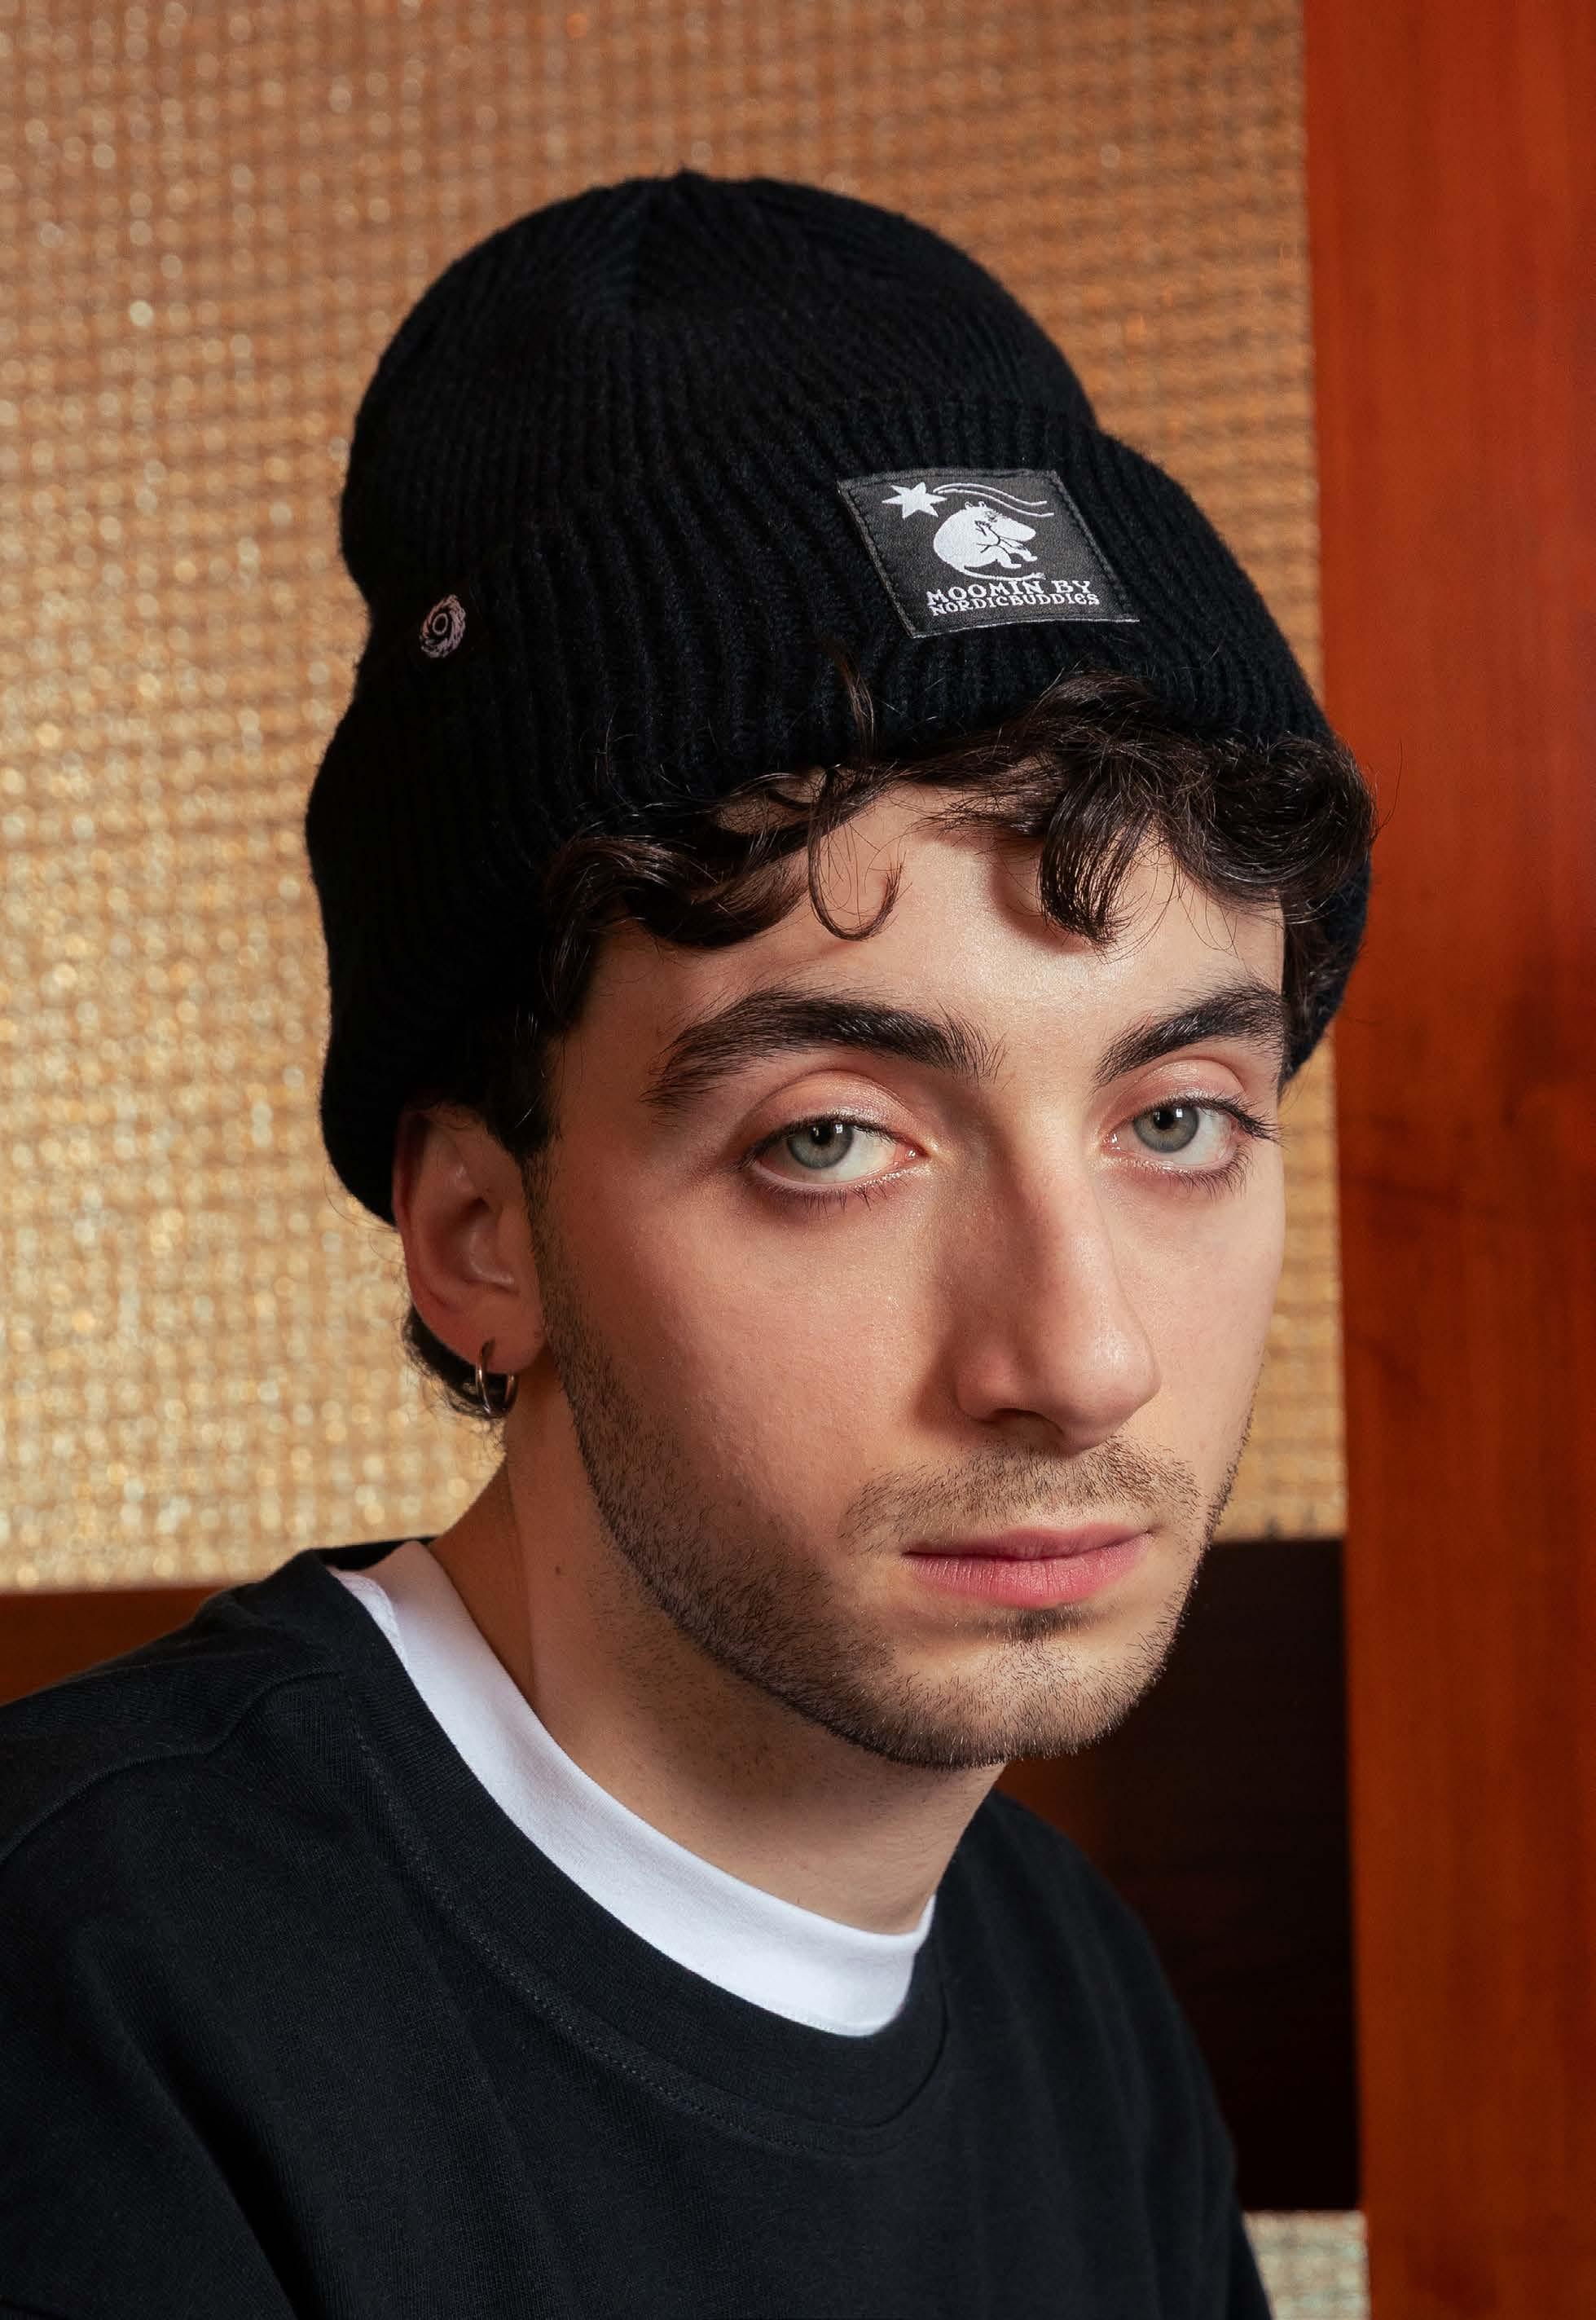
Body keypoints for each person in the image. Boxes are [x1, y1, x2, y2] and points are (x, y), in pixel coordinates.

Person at [0, 173, 1374, 2319]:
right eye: (833, 1140)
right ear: (478, 1231)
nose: (1080, 1355)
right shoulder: (85, 2015)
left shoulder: (1075, 1997)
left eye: (1176, 1119)